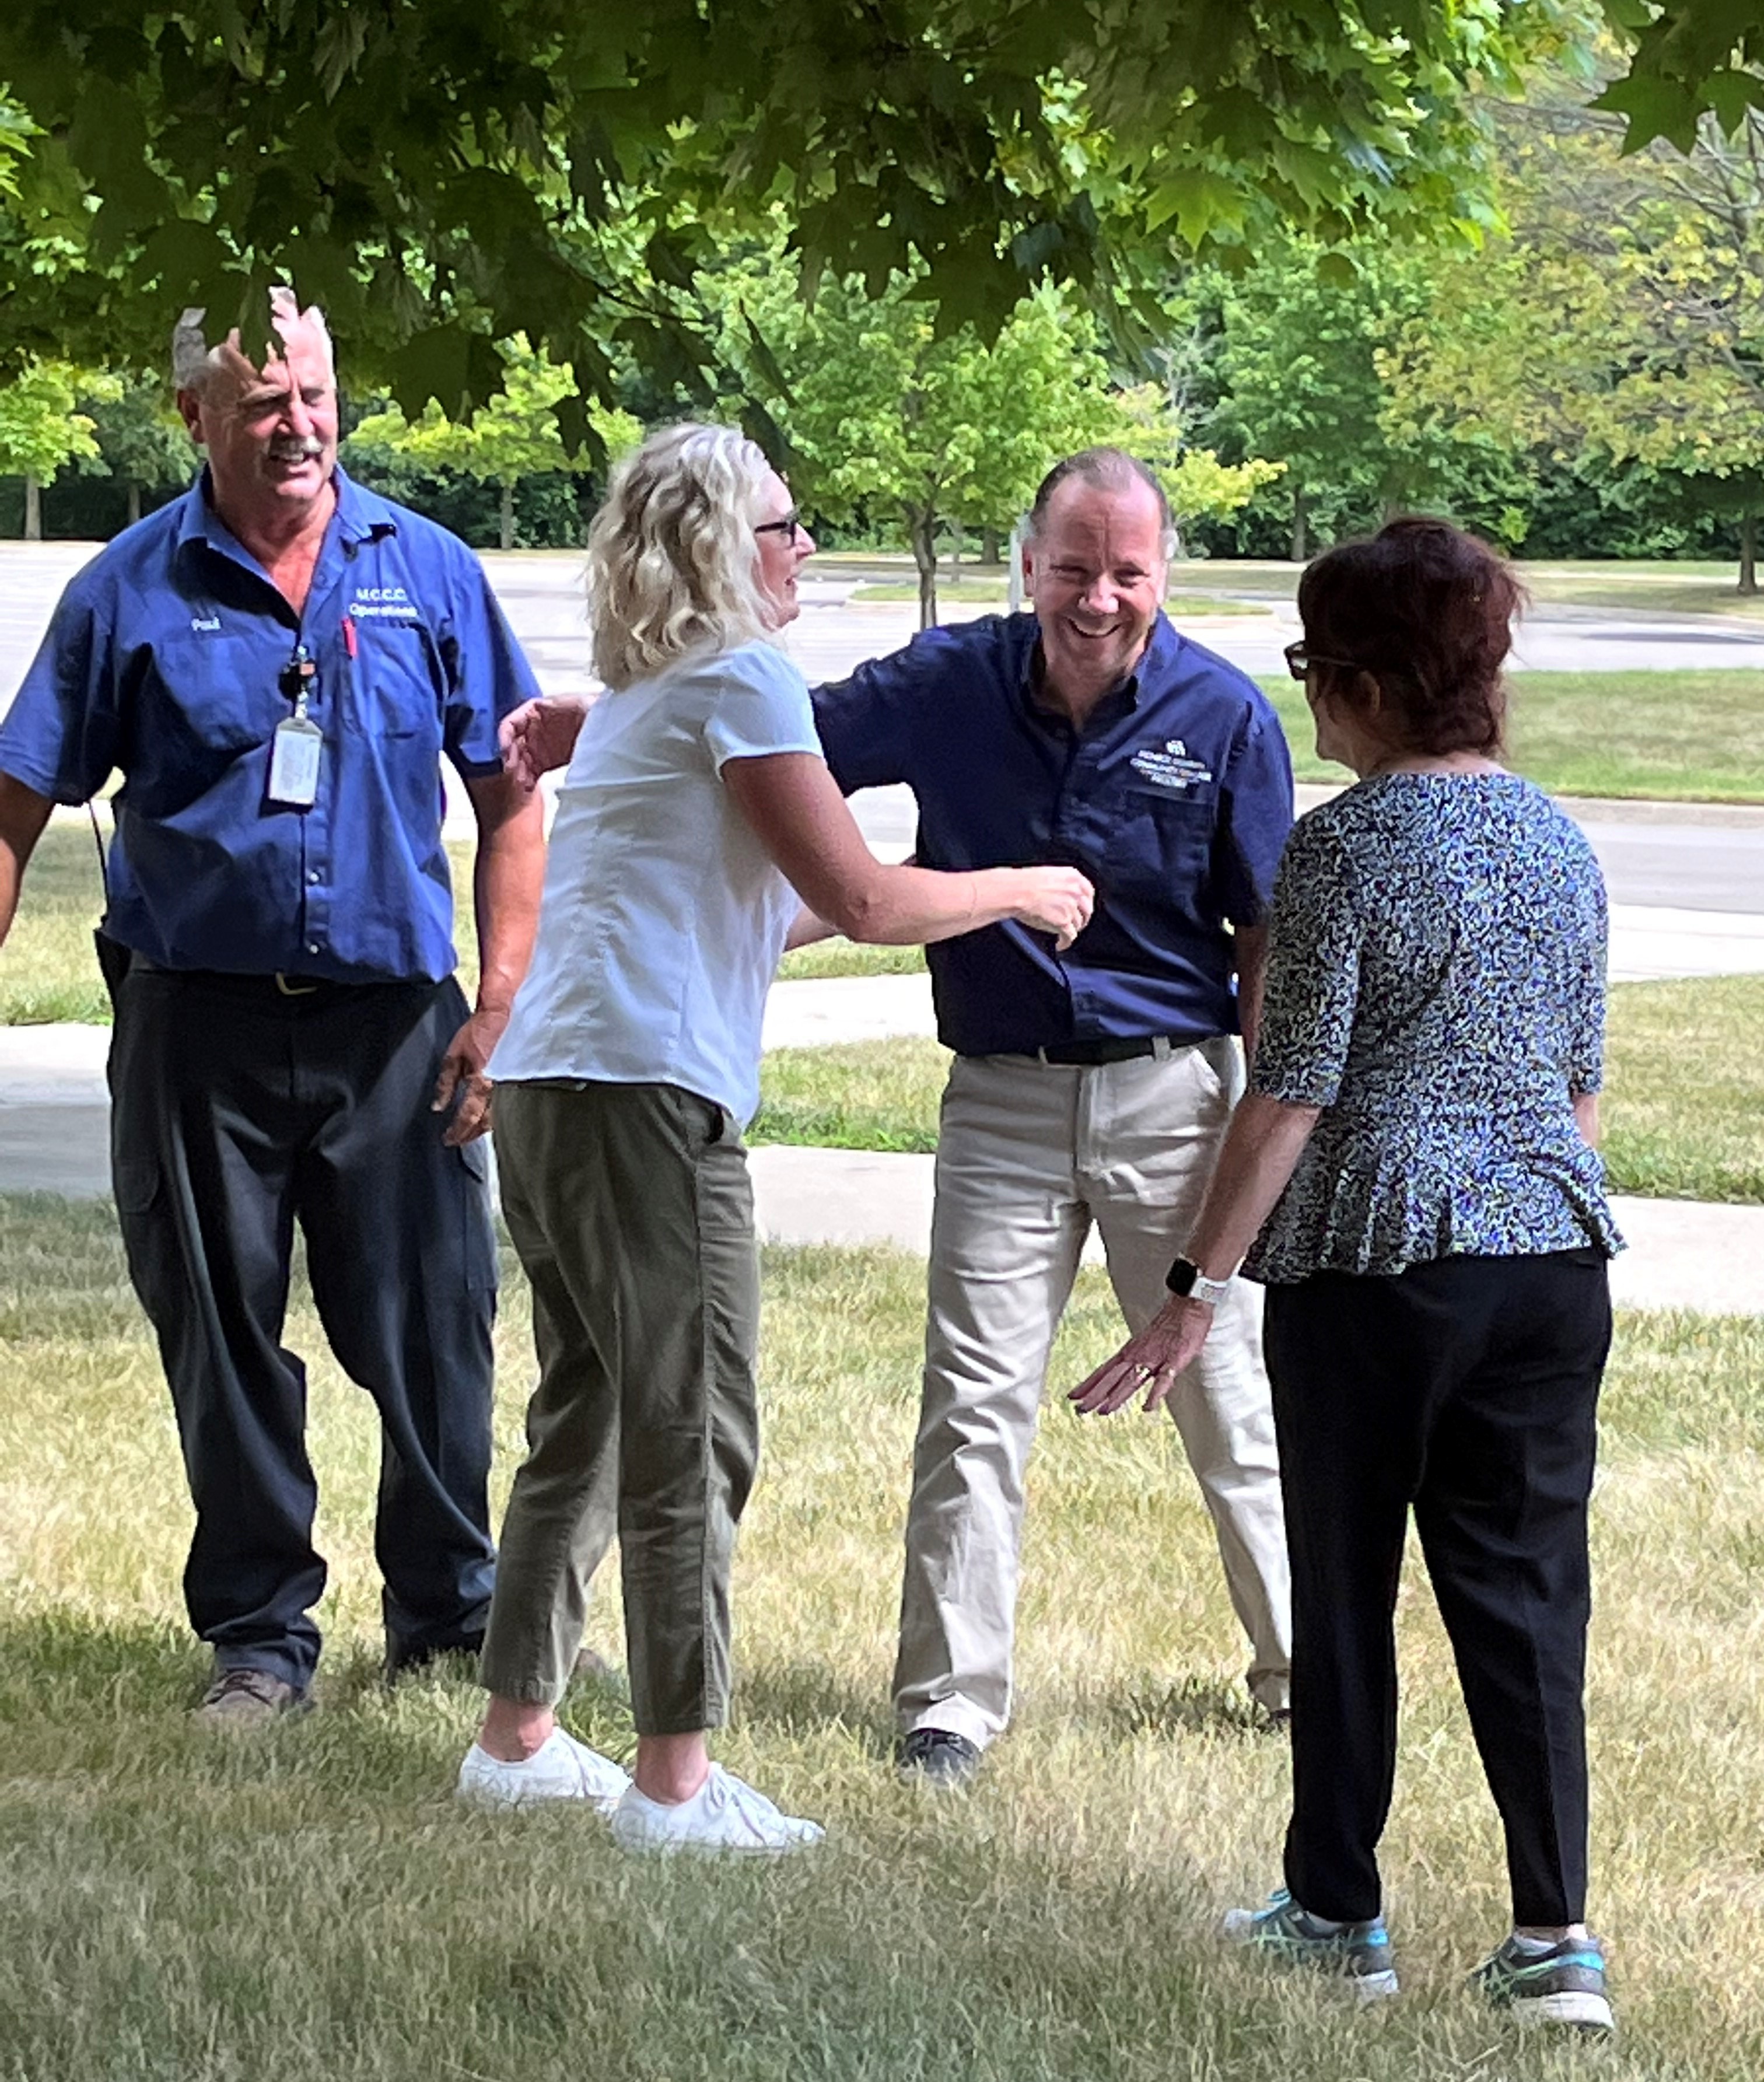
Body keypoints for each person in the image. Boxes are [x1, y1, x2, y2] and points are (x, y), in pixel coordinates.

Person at [454, 423, 1093, 1852]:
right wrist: (1014, 887)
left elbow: (781, 905)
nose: (804, 547)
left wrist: (924, 881)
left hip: (554, 1087)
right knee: (695, 1426)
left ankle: (516, 1739)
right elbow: (863, 903)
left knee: (594, 1409)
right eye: (784, 525)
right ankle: (675, 1785)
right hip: (645, 1102)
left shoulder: (639, 696)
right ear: (716, 549)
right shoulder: (735, 679)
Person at [1072, 519, 1621, 2033]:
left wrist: (1194, 1281)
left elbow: (1289, 1090)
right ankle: (1556, 1940)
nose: (1309, 694)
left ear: (1374, 680)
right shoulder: (1558, 838)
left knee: (1348, 1591)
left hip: (1376, 1269)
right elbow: (1578, 1086)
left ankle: (1336, 1909)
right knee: (1525, 1601)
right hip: (1552, 1263)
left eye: (1318, 666)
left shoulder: (1345, 845)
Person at [0, 289, 547, 1722]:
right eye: (262, 404)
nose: (298, 426)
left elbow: (512, 802)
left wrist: (502, 1003)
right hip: (198, 1028)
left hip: (396, 1031)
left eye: (313, 394)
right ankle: (260, 1640)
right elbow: (13, 807)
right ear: (193, 417)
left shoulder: (423, 571)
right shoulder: (124, 591)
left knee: (435, 1328)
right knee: (220, 1333)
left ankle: (451, 1617)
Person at [813, 449, 1295, 1782]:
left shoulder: (1225, 715)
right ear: (1026, 564)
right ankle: (951, 1705)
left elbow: (1264, 936)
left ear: (1164, 575)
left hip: (1174, 1096)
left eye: (1127, 572)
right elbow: (781, 753)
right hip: (1003, 1102)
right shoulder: (945, 684)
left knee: (1229, 1393)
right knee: (971, 1403)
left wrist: (1268, 1129)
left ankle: (1302, 1675)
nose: (1098, 599)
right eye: (1073, 568)